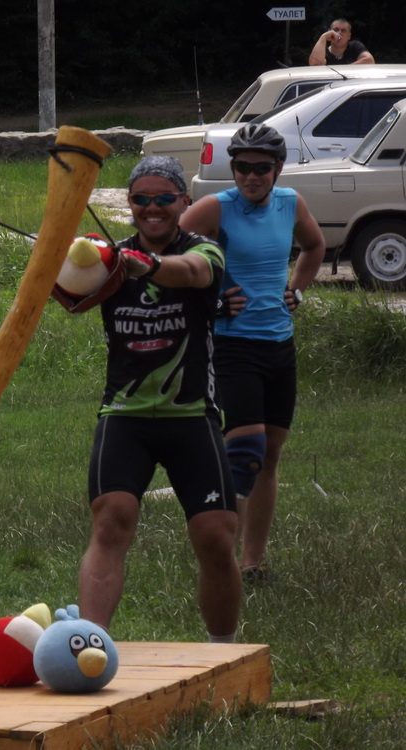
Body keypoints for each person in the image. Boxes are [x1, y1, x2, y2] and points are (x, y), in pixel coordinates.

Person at [75, 155, 242, 644]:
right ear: (129, 203)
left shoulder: (205, 250)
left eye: (164, 198)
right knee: (111, 522)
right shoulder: (111, 260)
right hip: (123, 416)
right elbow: (63, 291)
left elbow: (190, 274)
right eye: (141, 199)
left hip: (191, 416)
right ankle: (90, 650)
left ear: (183, 201)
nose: (152, 208)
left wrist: (143, 265)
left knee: (216, 537)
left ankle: (223, 652)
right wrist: (67, 264)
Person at [179, 123, 325, 583]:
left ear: (278, 168)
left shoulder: (290, 203)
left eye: (261, 168)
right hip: (232, 345)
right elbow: (168, 257)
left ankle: (253, 563)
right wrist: (211, 302)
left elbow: (315, 246)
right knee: (246, 451)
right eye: (241, 167)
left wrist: (297, 290)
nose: (250, 176)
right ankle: (221, 562)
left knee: (270, 454)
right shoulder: (215, 208)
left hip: (279, 344)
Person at [309, 18, 375, 65]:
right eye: (336, 30)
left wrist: (345, 70)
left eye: (343, 31)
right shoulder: (322, 51)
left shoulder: (355, 46)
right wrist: (323, 37)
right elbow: (315, 64)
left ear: (349, 36)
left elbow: (369, 60)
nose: (339, 33)